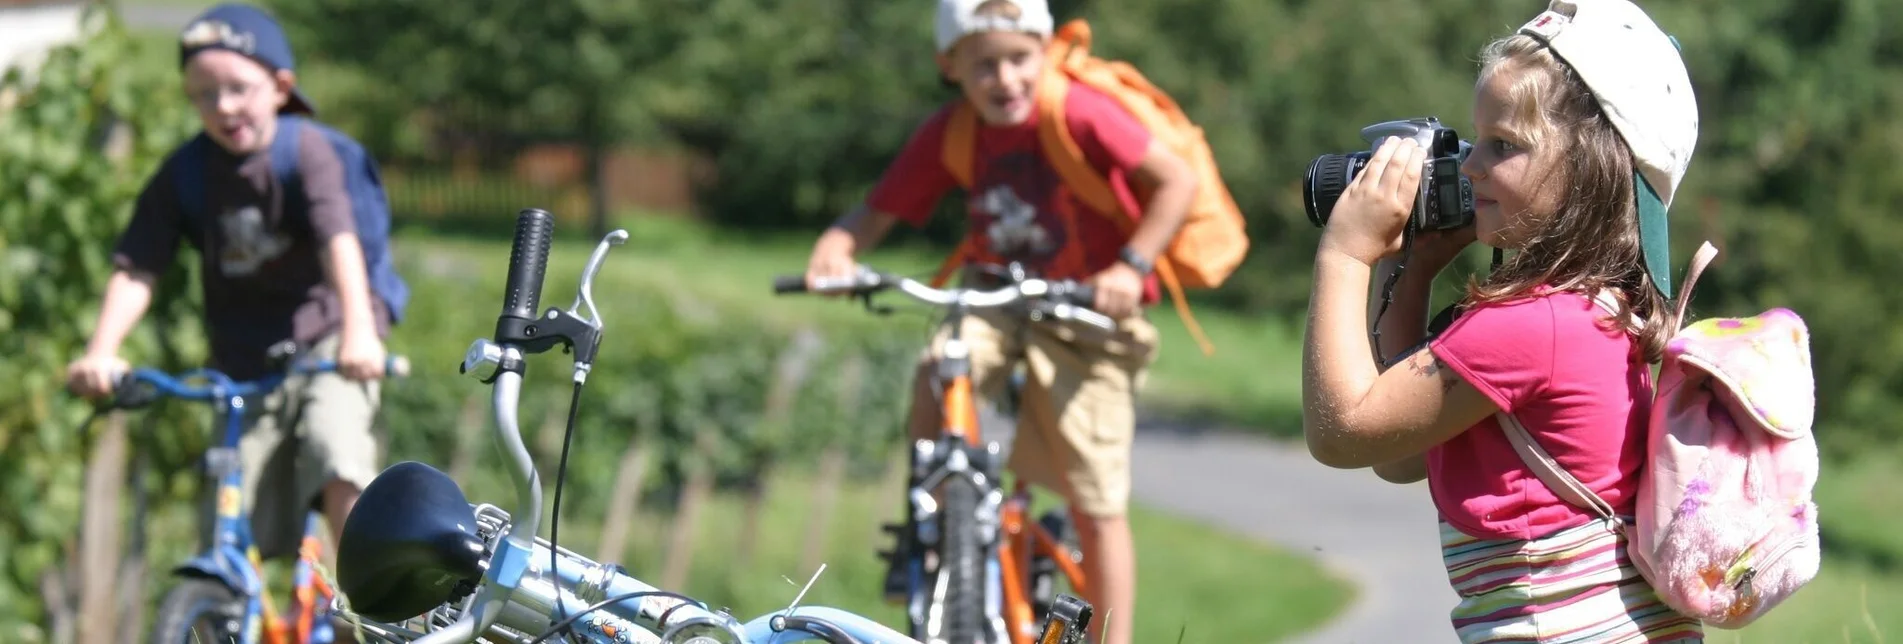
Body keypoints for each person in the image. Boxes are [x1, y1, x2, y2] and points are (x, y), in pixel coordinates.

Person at [1299, 0, 1706, 641]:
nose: (1468, 166)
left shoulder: (1530, 326)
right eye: (1475, 140)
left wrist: (1346, 253)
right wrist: (1412, 272)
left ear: (1590, 169)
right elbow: (1400, 455)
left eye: (1503, 145)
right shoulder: (1589, 309)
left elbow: (1341, 434)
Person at [799, 1, 1198, 641]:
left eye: (1019, 58)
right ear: (949, 66)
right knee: (938, 370)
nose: (1005, 79)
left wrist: (1130, 266)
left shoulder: (1078, 111)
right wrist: (839, 245)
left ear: (1044, 51)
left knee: (1095, 496)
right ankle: (929, 515)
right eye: (984, 65)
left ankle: (1112, 638)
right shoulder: (953, 132)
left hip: (1087, 310)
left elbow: (1177, 181)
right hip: (995, 295)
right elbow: (878, 210)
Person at [63, 3, 398, 561]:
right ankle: (222, 608)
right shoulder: (187, 173)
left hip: (331, 337)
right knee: (229, 498)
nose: (223, 107)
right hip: (243, 356)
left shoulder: (307, 153)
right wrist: (102, 350)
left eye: (238, 88)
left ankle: (363, 608)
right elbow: (138, 266)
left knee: (335, 449)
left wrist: (360, 335)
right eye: (204, 94)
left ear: (280, 86)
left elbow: (339, 238)